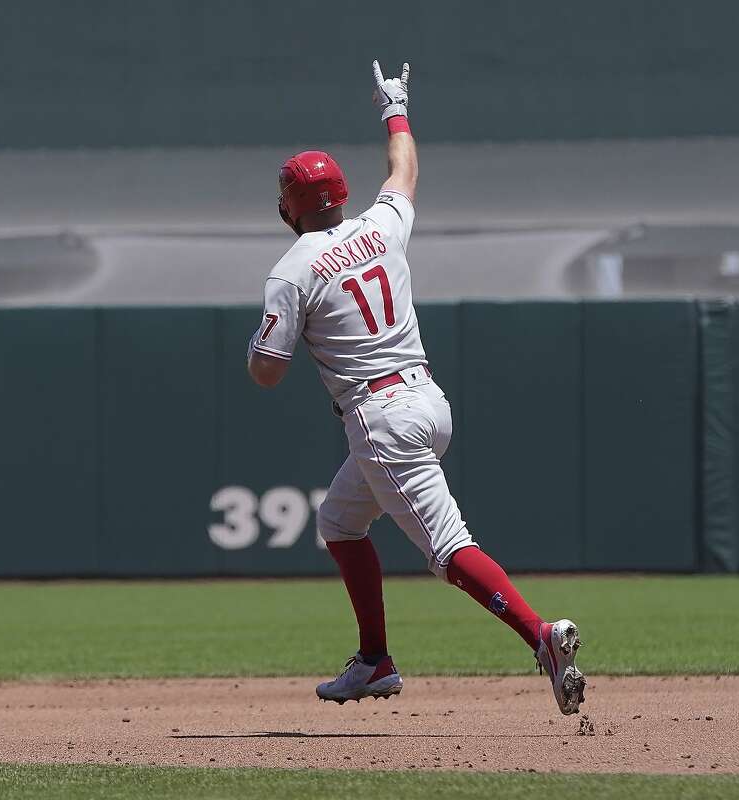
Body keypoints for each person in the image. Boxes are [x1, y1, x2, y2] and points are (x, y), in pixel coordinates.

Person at [246, 60, 585, 716]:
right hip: (428, 402)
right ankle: (374, 661)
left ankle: (541, 635)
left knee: (449, 548)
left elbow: (268, 371)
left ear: (289, 207)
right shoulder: (380, 226)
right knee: (339, 521)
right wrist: (393, 106)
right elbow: (403, 170)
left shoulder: (291, 270)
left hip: (381, 417)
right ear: (340, 195)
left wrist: (264, 342)